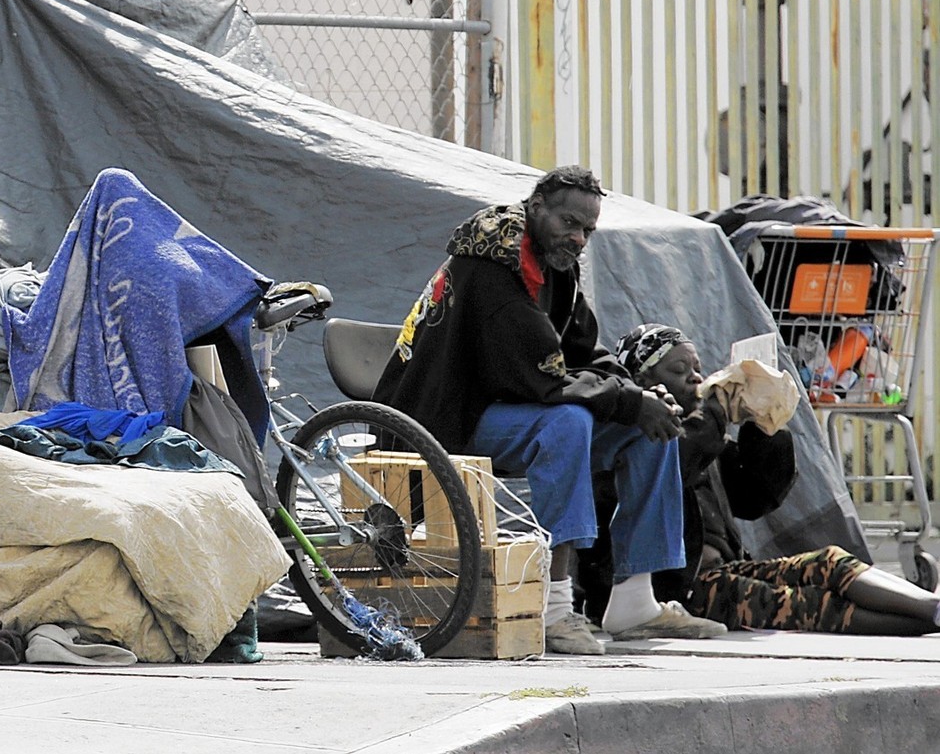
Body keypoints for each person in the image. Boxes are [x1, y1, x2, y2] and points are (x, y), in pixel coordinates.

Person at [374, 165, 725, 654]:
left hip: (508, 409)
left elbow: (584, 350)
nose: (578, 238)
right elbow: (538, 378)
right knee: (568, 421)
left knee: (650, 429)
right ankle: (556, 608)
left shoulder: (555, 266)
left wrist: (641, 396)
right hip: (446, 420)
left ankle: (634, 601)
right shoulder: (493, 269)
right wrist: (626, 401)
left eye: (587, 230)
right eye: (568, 223)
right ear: (536, 209)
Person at [579, 323, 940, 636]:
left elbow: (755, 498)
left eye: (697, 368)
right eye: (679, 370)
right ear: (643, 382)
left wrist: (763, 426)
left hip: (721, 574)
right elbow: (678, 462)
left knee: (830, 560)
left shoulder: (702, 434)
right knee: (808, 603)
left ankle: (931, 608)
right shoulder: (630, 440)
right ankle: (930, 620)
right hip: (677, 590)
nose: (695, 378)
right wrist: (715, 411)